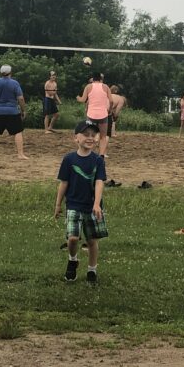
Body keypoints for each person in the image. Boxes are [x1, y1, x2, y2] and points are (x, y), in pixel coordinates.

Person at [54, 120, 108, 284]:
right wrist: (58, 204)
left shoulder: (98, 160)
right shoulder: (69, 159)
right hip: (73, 205)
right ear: (76, 138)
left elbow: (99, 182)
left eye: (93, 135)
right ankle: (72, 260)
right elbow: (63, 183)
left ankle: (92, 270)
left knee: (92, 241)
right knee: (72, 238)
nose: (90, 138)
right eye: (86, 134)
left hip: (92, 207)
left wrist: (97, 204)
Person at [76, 72, 112, 157]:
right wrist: (109, 110)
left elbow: (83, 100)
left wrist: (78, 98)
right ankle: (101, 155)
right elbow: (111, 101)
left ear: (93, 79)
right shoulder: (105, 87)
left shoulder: (88, 86)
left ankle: (89, 153)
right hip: (103, 114)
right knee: (103, 137)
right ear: (100, 79)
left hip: (91, 115)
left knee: (90, 135)